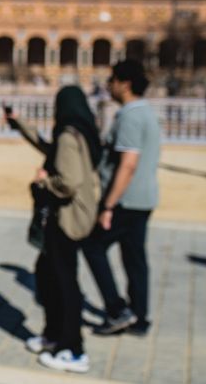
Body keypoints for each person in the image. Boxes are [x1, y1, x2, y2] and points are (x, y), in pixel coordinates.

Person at [7, 87, 102, 374]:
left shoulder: (67, 136)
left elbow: (67, 181)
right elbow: (51, 150)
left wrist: (42, 183)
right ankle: (53, 334)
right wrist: (20, 124)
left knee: (64, 282)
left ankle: (72, 349)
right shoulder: (80, 132)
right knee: (48, 274)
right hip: (71, 218)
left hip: (66, 220)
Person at [82, 60, 160, 337]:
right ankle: (140, 317)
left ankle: (117, 310)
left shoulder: (130, 116)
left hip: (125, 200)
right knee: (134, 258)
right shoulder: (145, 112)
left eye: (112, 80)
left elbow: (128, 164)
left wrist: (108, 205)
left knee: (92, 246)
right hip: (144, 197)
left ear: (125, 84)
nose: (108, 85)